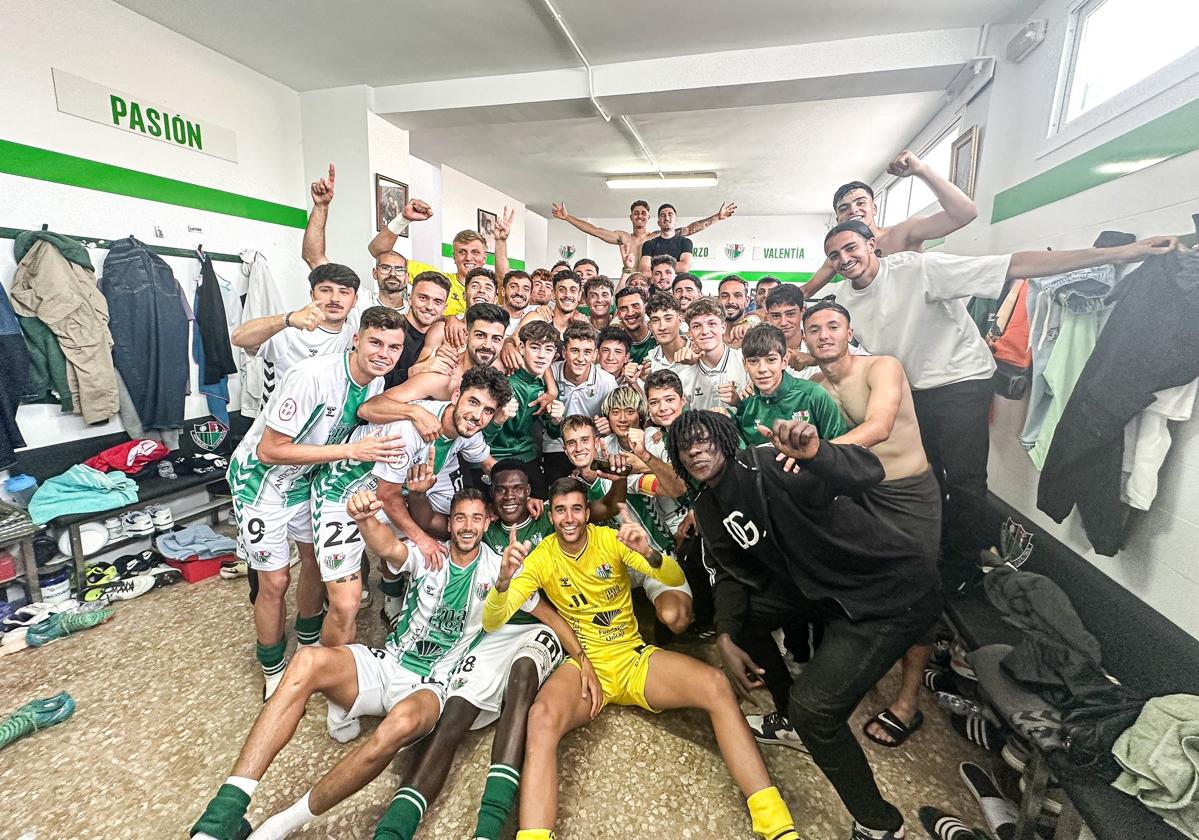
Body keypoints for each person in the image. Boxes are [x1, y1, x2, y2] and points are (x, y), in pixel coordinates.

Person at [822, 220, 1183, 591]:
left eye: (851, 248)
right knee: (924, 474)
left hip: (961, 381)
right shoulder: (844, 300)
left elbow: (1013, 264)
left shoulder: (921, 269)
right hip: (913, 391)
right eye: (835, 255)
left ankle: (961, 569)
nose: (845, 258)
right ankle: (931, 551)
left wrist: (1122, 253)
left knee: (964, 480)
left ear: (871, 244)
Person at [188, 488, 526, 840]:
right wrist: (364, 519)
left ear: (488, 522)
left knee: (400, 724)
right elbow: (387, 547)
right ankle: (222, 816)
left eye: (475, 518)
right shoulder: (430, 553)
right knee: (306, 661)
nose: (467, 526)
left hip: (434, 683)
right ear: (450, 523)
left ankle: (280, 824)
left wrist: (508, 585)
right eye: (460, 518)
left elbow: (508, 614)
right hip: (390, 662)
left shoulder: (499, 567)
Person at [668, 410, 942, 840]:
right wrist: (724, 636)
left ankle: (879, 824)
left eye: (705, 440)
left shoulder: (770, 464)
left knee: (815, 710)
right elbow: (734, 575)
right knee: (742, 619)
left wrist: (818, 454)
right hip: (819, 585)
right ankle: (788, 719)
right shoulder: (708, 504)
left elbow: (868, 472)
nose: (697, 450)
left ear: (724, 439)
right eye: (686, 446)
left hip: (890, 591)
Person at [482, 476, 797, 840]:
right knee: (540, 718)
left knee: (715, 685)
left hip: (632, 659)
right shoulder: (540, 557)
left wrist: (650, 554)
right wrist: (504, 583)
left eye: (576, 509)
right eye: (560, 511)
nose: (569, 518)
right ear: (550, 516)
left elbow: (673, 576)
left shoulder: (608, 540)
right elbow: (492, 620)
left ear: (587, 512)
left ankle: (774, 822)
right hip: (587, 668)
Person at [363, 463, 594, 840]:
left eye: (518, 489)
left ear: (529, 493)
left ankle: (488, 828)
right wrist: (417, 494)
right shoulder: (480, 532)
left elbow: (585, 522)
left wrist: (582, 656)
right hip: (492, 628)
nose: (510, 497)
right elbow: (430, 519)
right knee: (455, 709)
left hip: (535, 626)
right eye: (501, 490)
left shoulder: (547, 520)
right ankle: (395, 827)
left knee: (521, 681)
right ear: (490, 507)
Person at [227, 305, 407, 699]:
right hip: (262, 485)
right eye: (375, 342)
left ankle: (309, 648)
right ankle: (272, 667)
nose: (384, 354)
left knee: (313, 562)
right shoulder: (312, 376)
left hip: (307, 482)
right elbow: (270, 451)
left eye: (394, 347)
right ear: (356, 340)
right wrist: (351, 451)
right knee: (275, 580)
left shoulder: (375, 383)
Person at [802, 299, 943, 749]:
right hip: (860, 496)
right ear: (804, 338)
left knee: (918, 592)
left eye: (832, 326)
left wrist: (815, 454)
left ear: (848, 331)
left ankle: (908, 701)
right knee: (865, 584)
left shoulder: (882, 367)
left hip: (908, 494)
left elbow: (879, 426)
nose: (824, 335)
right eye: (814, 329)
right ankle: (859, 670)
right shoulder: (813, 385)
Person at [800, 149, 979, 300]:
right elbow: (806, 291)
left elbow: (965, 214)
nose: (853, 210)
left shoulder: (903, 233)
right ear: (838, 219)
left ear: (874, 208)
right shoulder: (841, 256)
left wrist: (922, 170)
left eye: (860, 203)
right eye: (844, 208)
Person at [302, 162, 437, 317]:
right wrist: (321, 206)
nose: (392, 273)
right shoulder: (357, 301)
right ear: (375, 273)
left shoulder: (418, 313)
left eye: (399, 269)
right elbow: (313, 257)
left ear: (407, 277)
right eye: (385, 268)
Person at [231, 264, 360, 404]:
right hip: (284, 419)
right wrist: (287, 319)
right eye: (326, 290)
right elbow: (238, 338)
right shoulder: (289, 331)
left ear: (354, 300)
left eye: (344, 292)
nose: (335, 298)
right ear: (312, 294)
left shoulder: (355, 336)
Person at [552, 199, 735, 279]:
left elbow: (690, 229)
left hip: (652, 282)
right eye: (636, 213)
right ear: (631, 217)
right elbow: (594, 230)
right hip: (631, 279)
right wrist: (567, 217)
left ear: (649, 218)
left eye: (643, 213)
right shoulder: (622, 237)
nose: (639, 216)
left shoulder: (656, 237)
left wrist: (717, 217)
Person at [484, 320, 564, 499]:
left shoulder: (547, 387)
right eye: (535, 347)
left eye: (548, 350)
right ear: (521, 347)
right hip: (493, 455)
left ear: (555, 355)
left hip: (526, 455)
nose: (542, 356)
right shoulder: (503, 379)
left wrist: (556, 421)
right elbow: (479, 436)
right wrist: (499, 418)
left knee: (542, 500)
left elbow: (552, 433)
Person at [732, 324, 848, 444]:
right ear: (745, 364)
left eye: (771, 360)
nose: (762, 369)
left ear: (784, 361)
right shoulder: (747, 404)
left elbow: (843, 446)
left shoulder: (813, 395)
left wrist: (811, 458)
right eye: (753, 361)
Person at [539, 323, 619, 486]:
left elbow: (618, 419)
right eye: (574, 351)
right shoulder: (549, 373)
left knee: (599, 491)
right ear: (564, 352)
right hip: (557, 445)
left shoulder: (606, 381)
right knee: (560, 491)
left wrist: (609, 426)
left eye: (587, 352)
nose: (580, 358)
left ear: (595, 355)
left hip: (592, 446)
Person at [676, 298, 750, 412]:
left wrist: (738, 403)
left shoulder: (745, 362)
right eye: (696, 326)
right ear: (690, 333)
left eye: (712, 323)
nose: (705, 331)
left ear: (723, 327)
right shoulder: (683, 374)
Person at [639, 202, 738, 274]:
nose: (667, 218)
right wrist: (672, 268)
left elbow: (684, 266)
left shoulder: (684, 242)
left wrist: (717, 217)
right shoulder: (649, 244)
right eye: (663, 215)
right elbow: (645, 270)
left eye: (670, 214)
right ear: (658, 222)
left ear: (675, 220)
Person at [644, 293, 688, 374]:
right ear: (649, 326)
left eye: (668, 319)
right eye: (655, 320)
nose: (662, 327)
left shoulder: (698, 351)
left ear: (680, 321)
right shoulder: (649, 359)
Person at [613, 286, 656, 364]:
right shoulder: (614, 343)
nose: (630, 313)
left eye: (635, 306)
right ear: (618, 314)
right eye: (623, 308)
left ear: (645, 308)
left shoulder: (659, 337)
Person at [718, 275, 755, 348]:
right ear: (718, 300)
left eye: (738, 296)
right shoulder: (709, 336)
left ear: (747, 301)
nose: (731, 301)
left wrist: (753, 320)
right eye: (725, 296)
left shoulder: (757, 336)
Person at [500, 270, 534, 336]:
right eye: (513, 287)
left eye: (526, 289)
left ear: (530, 296)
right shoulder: (488, 317)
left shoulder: (534, 321)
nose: (519, 293)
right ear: (503, 291)